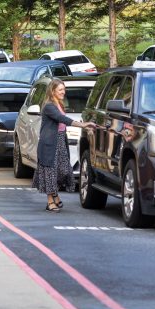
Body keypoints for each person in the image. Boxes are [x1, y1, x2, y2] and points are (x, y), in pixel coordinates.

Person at [32, 78, 96, 212]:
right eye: (60, 89)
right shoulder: (49, 106)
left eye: (64, 89)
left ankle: (54, 193)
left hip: (60, 140)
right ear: (53, 91)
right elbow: (63, 119)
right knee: (50, 171)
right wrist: (83, 125)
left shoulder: (59, 104)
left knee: (64, 170)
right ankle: (50, 201)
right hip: (49, 143)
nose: (63, 92)